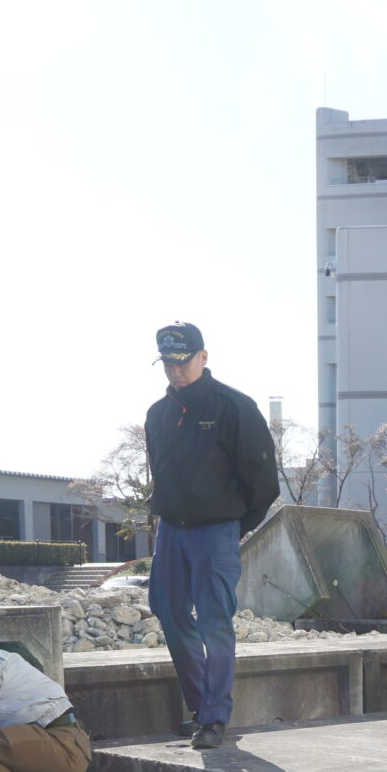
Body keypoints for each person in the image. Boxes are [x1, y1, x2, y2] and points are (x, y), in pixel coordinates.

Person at [144, 321, 280, 750]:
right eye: (168, 364)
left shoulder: (235, 407)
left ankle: (215, 717)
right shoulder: (157, 415)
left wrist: (236, 526)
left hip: (217, 530)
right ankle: (201, 707)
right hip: (171, 529)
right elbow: (159, 470)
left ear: (203, 357)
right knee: (168, 610)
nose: (176, 371)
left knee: (214, 620)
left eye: (183, 362)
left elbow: (264, 482)